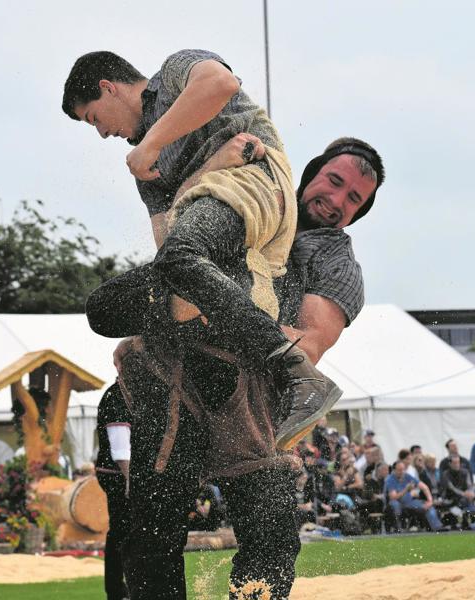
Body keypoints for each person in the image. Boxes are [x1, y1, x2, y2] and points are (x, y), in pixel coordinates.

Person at [86, 135, 384, 598]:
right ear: (310, 176)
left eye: (353, 200)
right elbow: (172, 237)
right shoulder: (250, 196)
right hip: (167, 377)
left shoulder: (334, 260)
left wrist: (216, 309)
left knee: (272, 536)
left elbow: (307, 344)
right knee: (148, 528)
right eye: (335, 181)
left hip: (246, 394)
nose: (337, 201)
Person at [64, 50, 379, 456]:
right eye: (334, 181)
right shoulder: (149, 168)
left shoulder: (176, 71)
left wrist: (154, 146)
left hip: (248, 188)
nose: (103, 133)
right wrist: (210, 164)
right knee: (105, 308)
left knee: (183, 263)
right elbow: (171, 254)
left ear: (109, 88)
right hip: (214, 253)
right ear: (313, 173)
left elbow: (220, 84)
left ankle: (295, 373)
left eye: (94, 119)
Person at [94, 384, 133, 600]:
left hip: (115, 472)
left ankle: (119, 588)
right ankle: (119, 590)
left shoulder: (118, 393)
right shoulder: (118, 395)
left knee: (121, 530)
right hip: (118, 473)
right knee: (123, 531)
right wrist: (129, 479)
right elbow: (120, 448)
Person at [383, 460, 444, 532]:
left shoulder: (407, 476)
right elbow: (393, 497)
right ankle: (398, 528)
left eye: (403, 469)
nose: (402, 472)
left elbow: (424, 487)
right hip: (395, 503)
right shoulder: (390, 480)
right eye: (399, 470)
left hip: (408, 502)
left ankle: (437, 527)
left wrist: (430, 500)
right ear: (394, 470)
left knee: (427, 505)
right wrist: (406, 489)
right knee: (395, 505)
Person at [439, 455, 475, 529]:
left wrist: (470, 492)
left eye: (458, 462)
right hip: (450, 499)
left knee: (473, 498)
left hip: (463, 498)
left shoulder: (465, 472)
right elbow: (452, 488)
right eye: (455, 463)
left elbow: (469, 484)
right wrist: (464, 494)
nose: (457, 464)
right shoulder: (445, 474)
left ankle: (472, 521)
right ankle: (461, 522)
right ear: (450, 464)